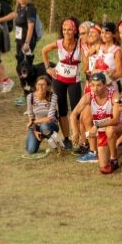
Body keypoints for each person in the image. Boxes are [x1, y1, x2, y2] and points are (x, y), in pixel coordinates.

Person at [41, 17, 82, 149]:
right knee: (63, 109)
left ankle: (81, 138)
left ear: (75, 31)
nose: (66, 32)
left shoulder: (80, 43)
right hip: (58, 79)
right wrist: (48, 68)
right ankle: (66, 138)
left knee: (77, 109)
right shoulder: (59, 43)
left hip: (74, 80)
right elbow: (44, 50)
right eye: (64, 29)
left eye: (69, 29)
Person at [78, 72, 122, 174]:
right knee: (103, 168)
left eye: (98, 85)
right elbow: (73, 114)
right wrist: (75, 132)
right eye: (92, 85)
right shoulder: (89, 96)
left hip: (118, 127)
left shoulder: (114, 95)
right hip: (102, 130)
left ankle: (114, 159)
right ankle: (120, 148)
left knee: (110, 129)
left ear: (105, 84)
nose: (95, 88)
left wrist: (97, 125)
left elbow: (116, 120)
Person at [25, 75, 60, 156]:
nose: (40, 87)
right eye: (38, 84)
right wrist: (34, 130)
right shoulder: (30, 97)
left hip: (50, 125)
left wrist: (34, 122)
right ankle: (41, 136)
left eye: (43, 84)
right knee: (30, 150)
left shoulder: (53, 96)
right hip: (36, 126)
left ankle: (57, 144)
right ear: (35, 85)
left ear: (48, 86)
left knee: (44, 126)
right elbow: (30, 117)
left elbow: (50, 118)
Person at [95, 22, 122, 87]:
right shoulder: (100, 47)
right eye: (102, 32)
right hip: (98, 86)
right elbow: (95, 67)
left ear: (113, 35)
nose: (104, 35)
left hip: (111, 86)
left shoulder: (117, 50)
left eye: (107, 33)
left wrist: (106, 78)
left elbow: (120, 73)